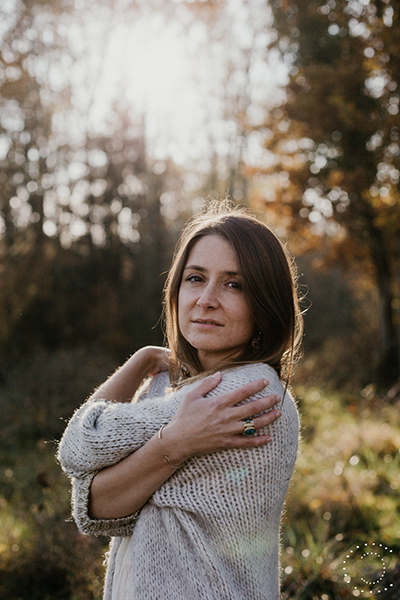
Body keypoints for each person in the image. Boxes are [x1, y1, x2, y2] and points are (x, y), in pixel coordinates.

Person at [57, 203, 303, 600]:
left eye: (234, 284)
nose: (206, 299)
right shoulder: (172, 388)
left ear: (265, 306)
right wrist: (147, 361)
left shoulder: (245, 393)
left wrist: (167, 444)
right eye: (195, 278)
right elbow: (96, 507)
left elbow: (80, 446)